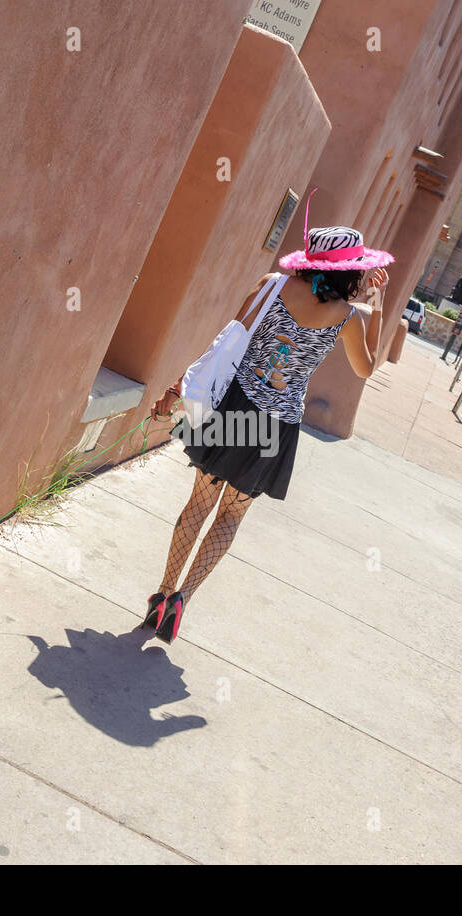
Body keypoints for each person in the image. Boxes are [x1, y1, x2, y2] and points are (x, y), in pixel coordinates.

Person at [144, 223, 394, 642]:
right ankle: (184, 598)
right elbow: (365, 369)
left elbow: (223, 344)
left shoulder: (272, 286)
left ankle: (162, 594)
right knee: (231, 515)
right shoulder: (347, 318)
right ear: (350, 272)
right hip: (275, 427)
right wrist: (379, 309)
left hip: (235, 410)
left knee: (199, 504)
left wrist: (177, 389)